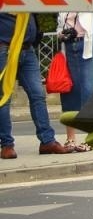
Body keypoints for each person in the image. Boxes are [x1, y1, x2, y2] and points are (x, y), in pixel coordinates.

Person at [1, 12, 73, 157]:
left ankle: (47, 141)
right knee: (4, 97)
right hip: (4, 48)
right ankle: (7, 145)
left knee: (38, 94)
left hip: (27, 49)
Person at [56, 12, 93, 152]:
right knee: (69, 90)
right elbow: (61, 21)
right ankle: (70, 139)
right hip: (69, 44)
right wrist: (61, 32)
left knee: (90, 90)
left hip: (90, 43)